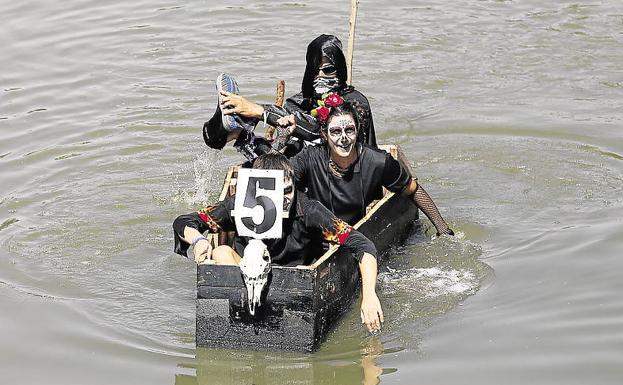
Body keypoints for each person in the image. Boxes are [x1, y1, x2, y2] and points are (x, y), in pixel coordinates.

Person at [172, 153, 384, 332]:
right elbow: (185, 222)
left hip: (294, 285)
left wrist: (369, 296)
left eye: (289, 190)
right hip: (244, 280)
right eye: (277, 192)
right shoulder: (240, 205)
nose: (284, 199)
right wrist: (198, 240)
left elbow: (363, 246)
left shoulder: (307, 210)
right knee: (221, 252)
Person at [289, 94, 454, 236]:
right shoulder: (310, 157)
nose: (344, 138)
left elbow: (412, 189)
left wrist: (444, 230)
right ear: (324, 134)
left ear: (357, 130)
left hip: (356, 237)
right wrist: (279, 144)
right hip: (318, 234)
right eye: (336, 132)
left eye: (349, 130)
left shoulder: (377, 161)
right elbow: (280, 178)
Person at [203, 34, 376, 160]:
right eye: (315, 70)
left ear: (340, 69)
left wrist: (260, 111)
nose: (320, 75)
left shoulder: (356, 102)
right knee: (284, 145)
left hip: (348, 169)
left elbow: (321, 133)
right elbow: (283, 143)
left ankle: (243, 123)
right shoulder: (298, 102)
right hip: (307, 168)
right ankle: (233, 131)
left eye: (328, 70)